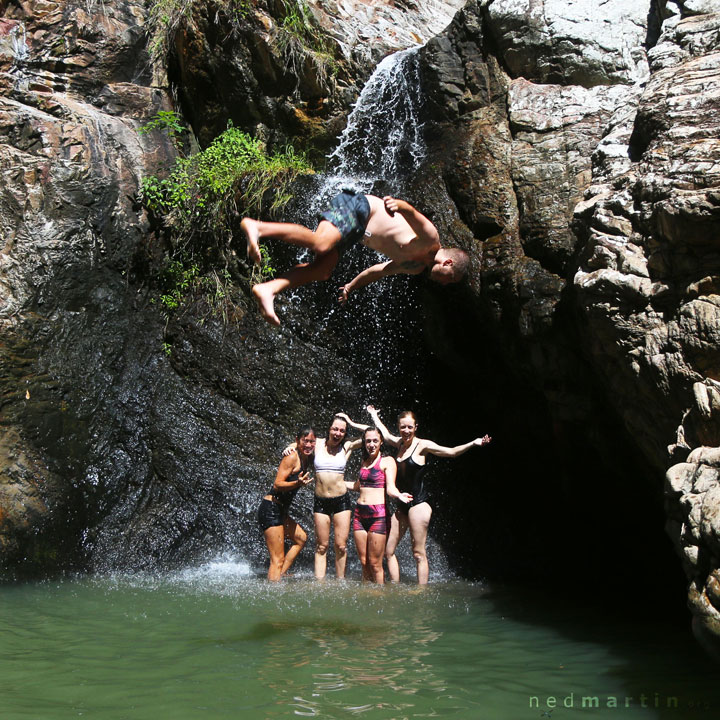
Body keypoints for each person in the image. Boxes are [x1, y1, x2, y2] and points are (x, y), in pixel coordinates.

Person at [241, 191, 469, 325]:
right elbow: (412, 214)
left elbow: (378, 271)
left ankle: (269, 289)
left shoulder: (415, 267)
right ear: (448, 263)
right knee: (321, 242)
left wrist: (351, 286)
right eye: (450, 278)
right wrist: (398, 205)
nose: (445, 283)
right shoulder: (431, 241)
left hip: (357, 232)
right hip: (361, 208)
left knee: (323, 270)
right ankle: (257, 227)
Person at [366, 406, 492, 585]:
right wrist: (373, 415)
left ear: (416, 427)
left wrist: (474, 443)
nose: (406, 431)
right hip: (402, 505)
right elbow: (384, 435)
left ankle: (421, 591)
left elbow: (451, 452)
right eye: (403, 427)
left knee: (418, 553)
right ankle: (394, 587)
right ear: (399, 427)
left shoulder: (422, 445)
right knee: (388, 551)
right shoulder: (399, 443)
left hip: (419, 504)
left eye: (410, 427)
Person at [283, 413, 361, 580]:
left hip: (342, 501)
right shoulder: (317, 443)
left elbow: (372, 436)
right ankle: (320, 584)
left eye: (342, 430)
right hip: (321, 501)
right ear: (329, 429)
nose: (338, 433)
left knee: (341, 546)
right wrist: (290, 447)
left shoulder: (347, 446)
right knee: (321, 546)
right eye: (335, 429)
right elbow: (302, 442)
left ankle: (340, 581)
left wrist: (351, 422)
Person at [351, 426, 412, 584]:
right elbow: (358, 486)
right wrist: (335, 482)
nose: (371, 444)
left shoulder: (387, 461)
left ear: (381, 442)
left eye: (375, 441)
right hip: (359, 515)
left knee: (375, 564)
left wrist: (399, 494)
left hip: (378, 516)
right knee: (364, 563)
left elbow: (390, 487)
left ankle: (379, 597)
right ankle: (367, 594)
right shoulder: (364, 462)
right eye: (368, 441)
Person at [257, 426, 316, 581]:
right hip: (271, 509)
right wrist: (297, 483)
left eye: (312, 441)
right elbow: (277, 484)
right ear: (298, 440)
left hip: (280, 511)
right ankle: (273, 594)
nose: (309, 445)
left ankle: (279, 575)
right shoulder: (291, 457)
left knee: (301, 538)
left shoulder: (307, 456)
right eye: (305, 441)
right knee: (277, 559)